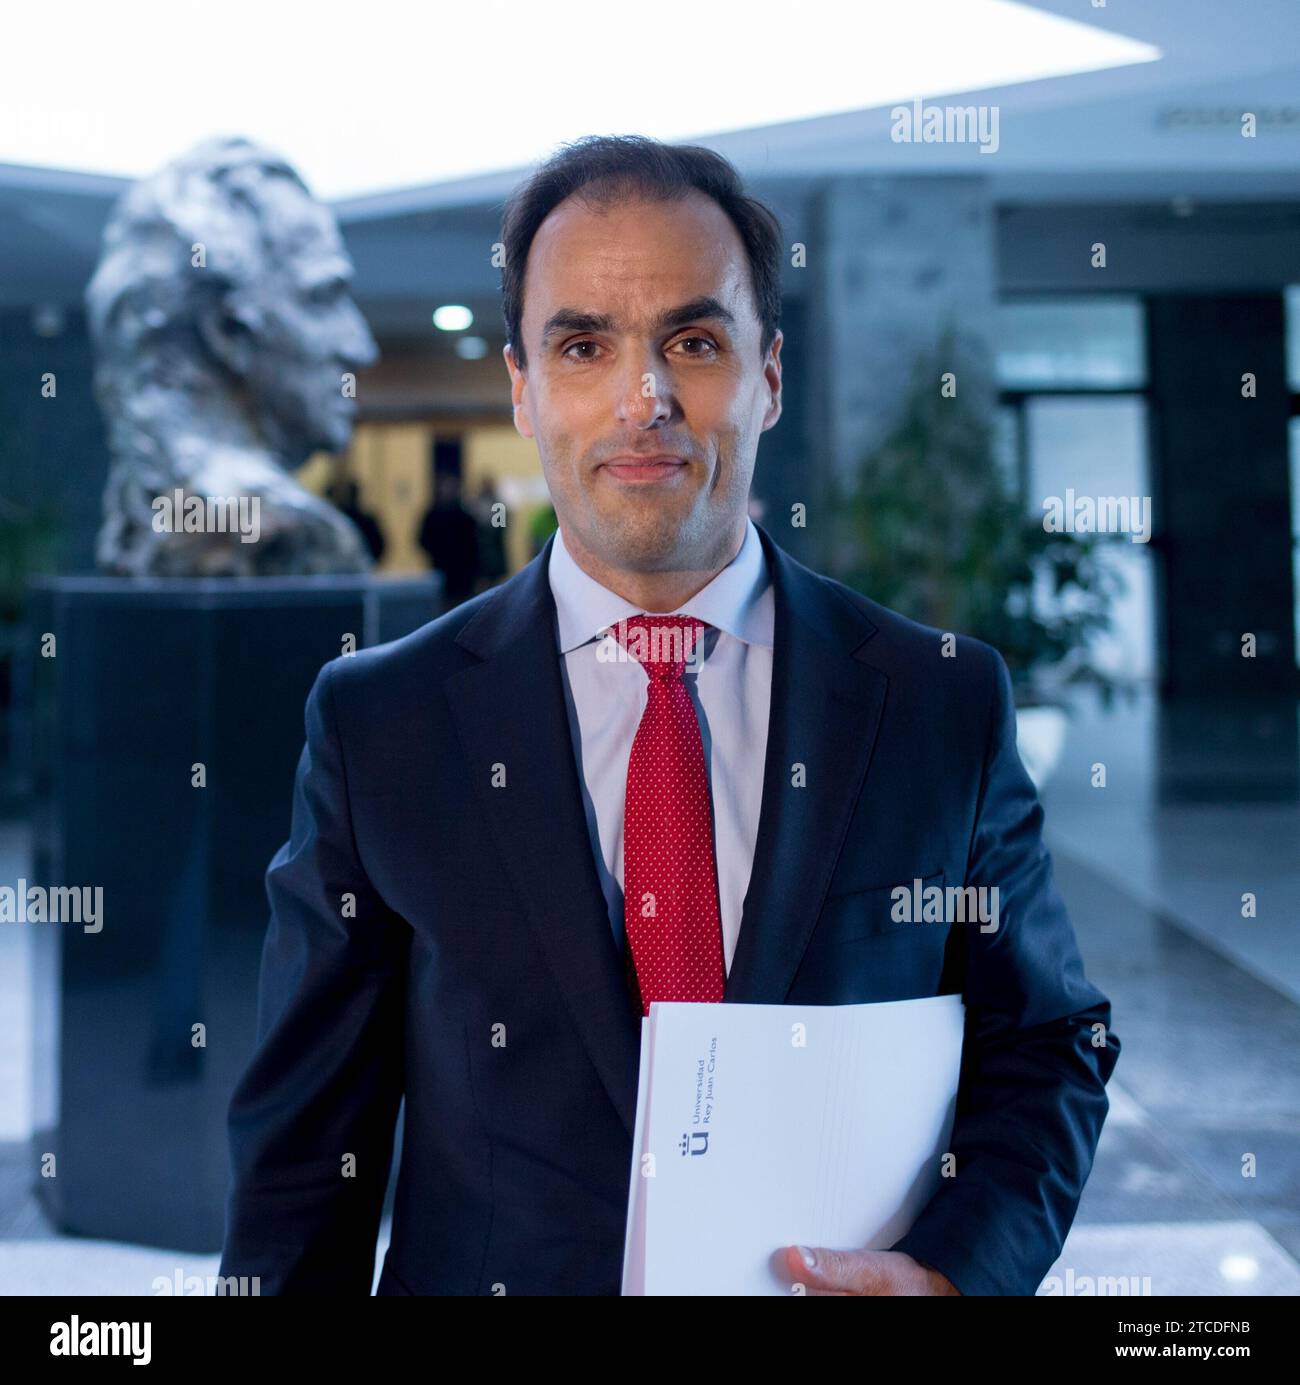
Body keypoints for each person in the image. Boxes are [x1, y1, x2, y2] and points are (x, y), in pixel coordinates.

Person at [220, 134, 1119, 1297]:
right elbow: (304, 1155)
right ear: (522, 388)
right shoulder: (382, 723)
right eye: (583, 344)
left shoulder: (935, 700)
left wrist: (955, 1272)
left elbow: (1049, 1043)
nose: (643, 399)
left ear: (770, 376)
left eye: (692, 342)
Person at [417, 471, 480, 606]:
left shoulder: (466, 515)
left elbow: (476, 541)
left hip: (462, 572)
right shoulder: (433, 514)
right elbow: (422, 539)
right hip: (442, 569)